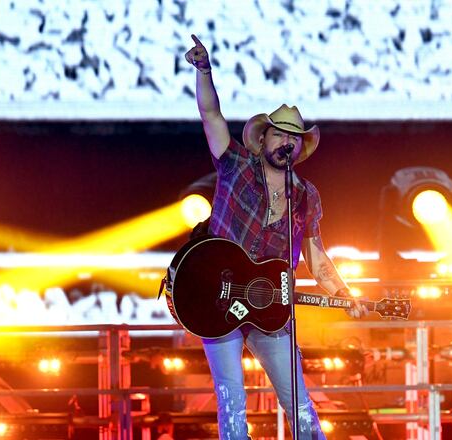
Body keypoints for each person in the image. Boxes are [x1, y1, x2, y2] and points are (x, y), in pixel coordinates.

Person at [184, 35, 367, 439]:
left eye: (293, 136)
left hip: (271, 311)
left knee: (300, 402)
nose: (286, 141)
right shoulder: (235, 166)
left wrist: (345, 294)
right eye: (279, 133)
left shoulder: (306, 197)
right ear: (263, 139)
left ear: (299, 147)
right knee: (232, 400)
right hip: (217, 303)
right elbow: (211, 115)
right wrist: (204, 72)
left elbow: (317, 260)